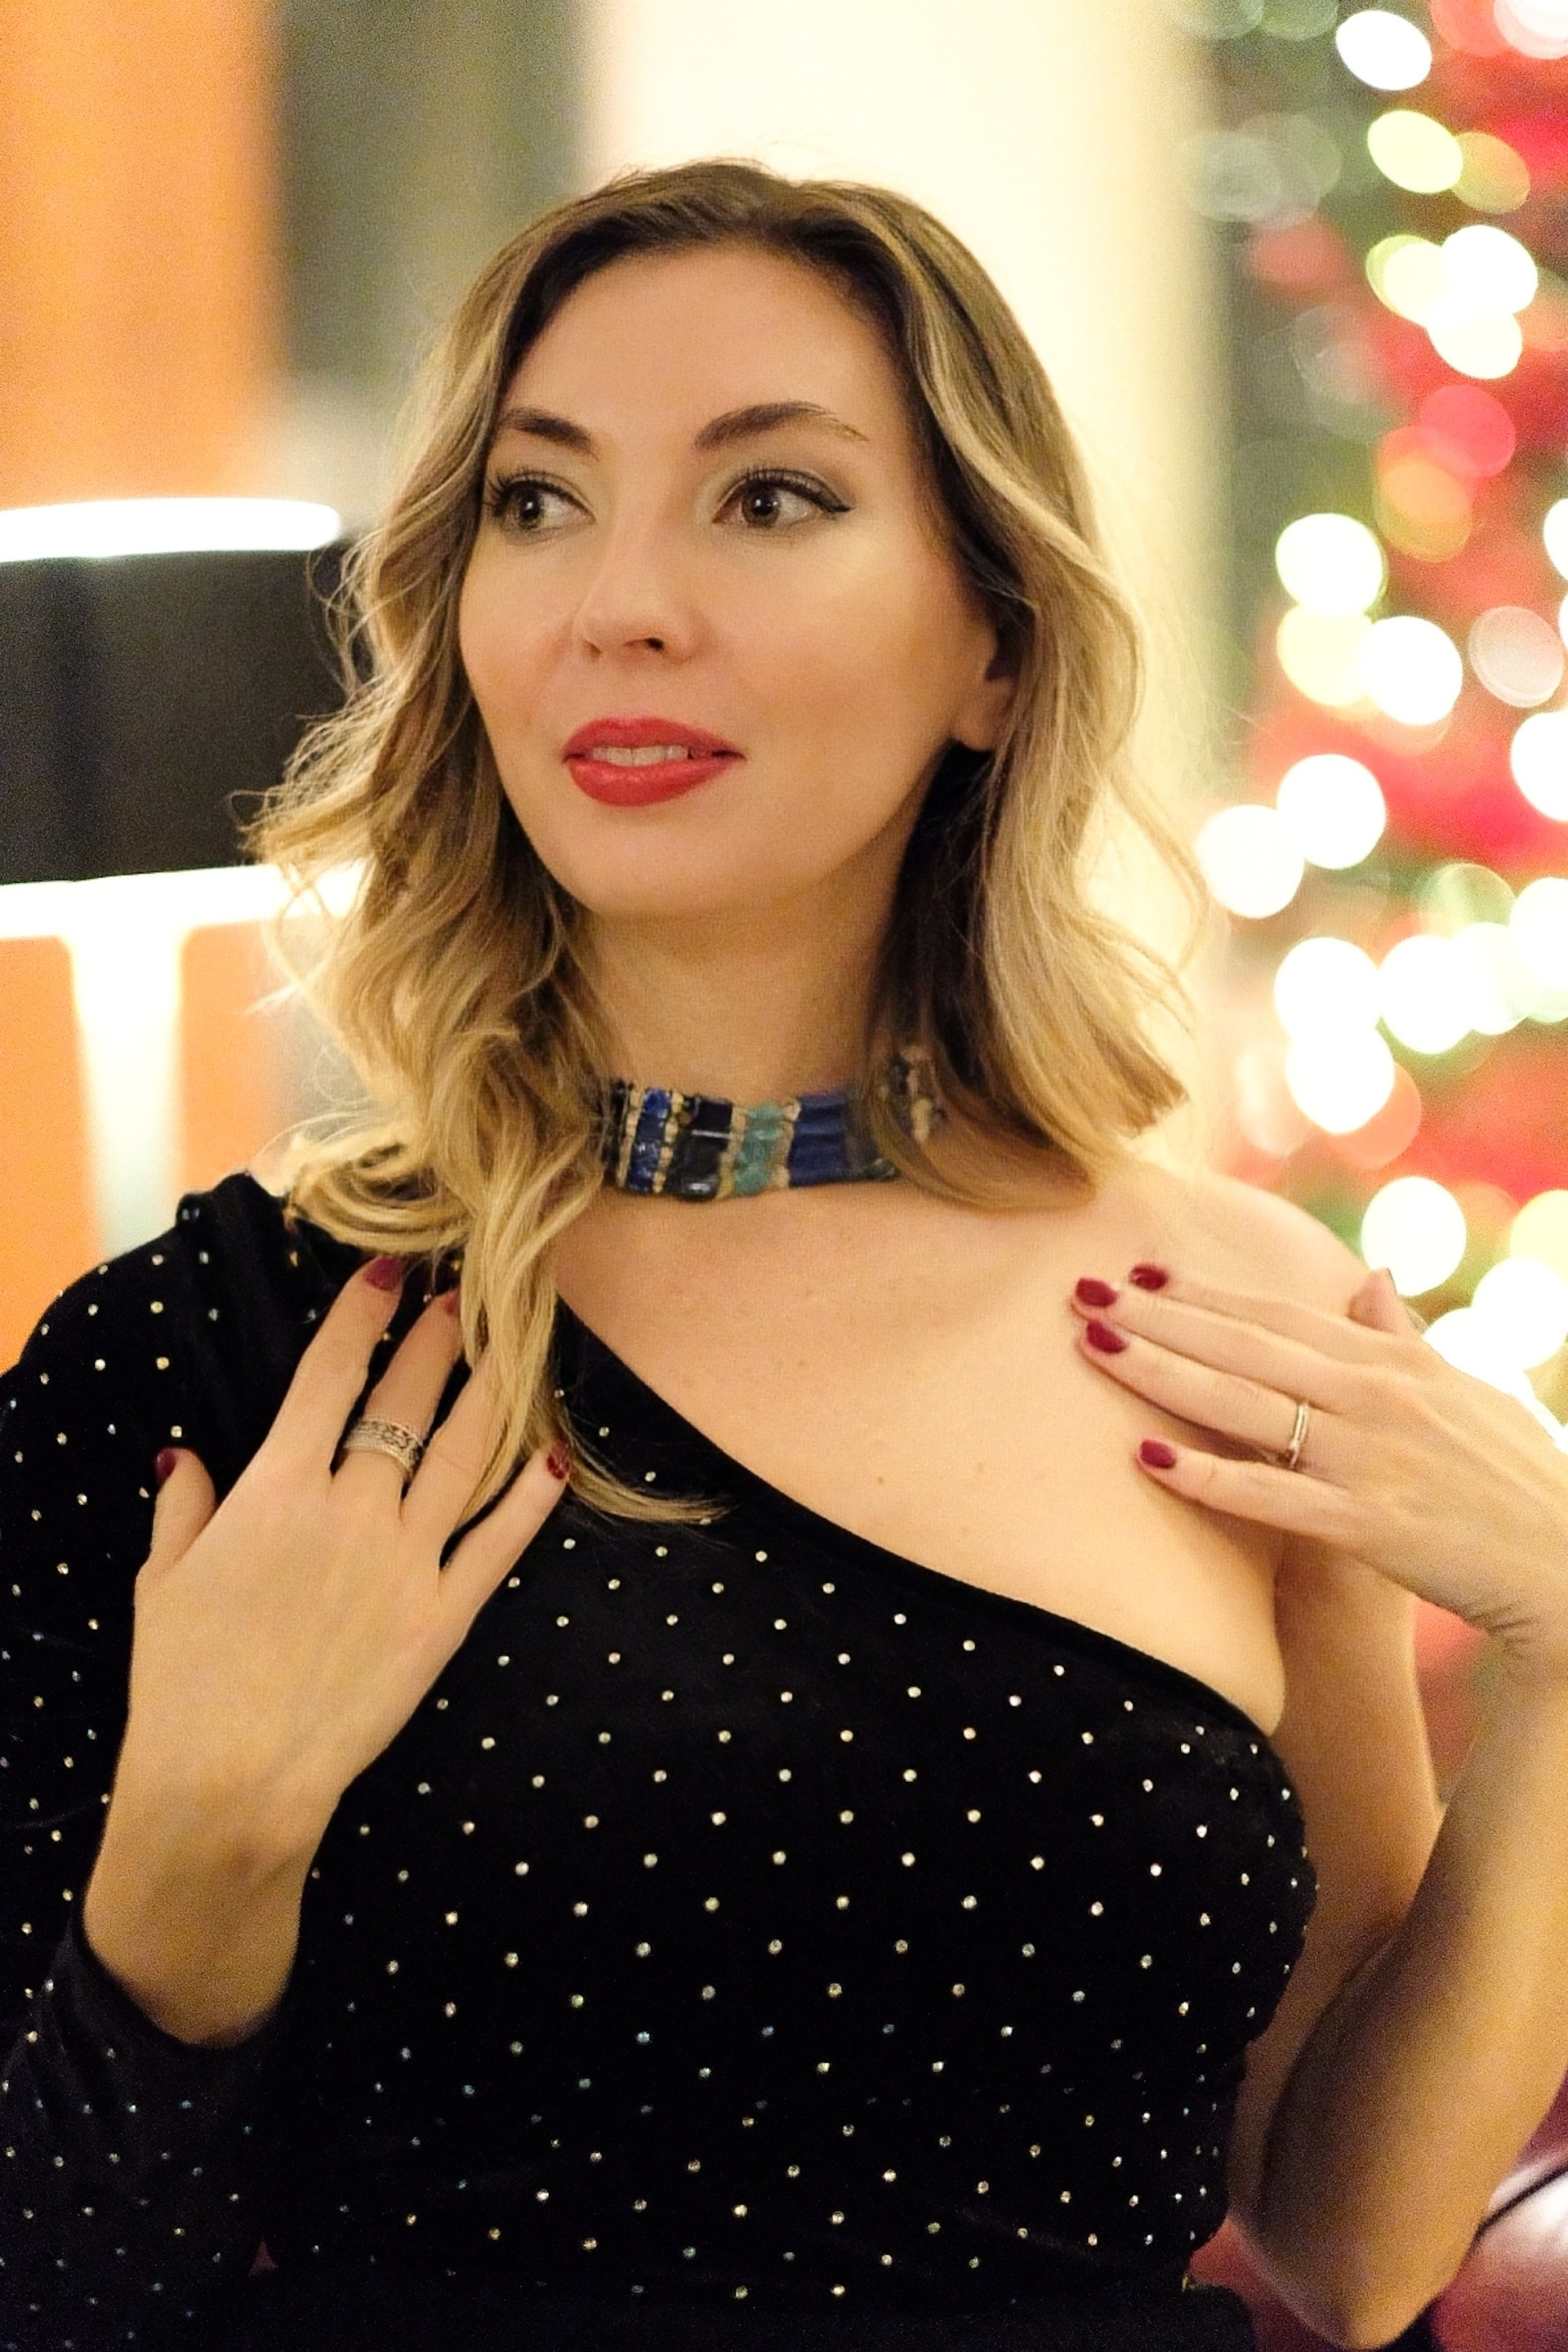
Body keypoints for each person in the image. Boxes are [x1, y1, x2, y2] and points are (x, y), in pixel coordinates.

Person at [4, 158, 1568, 2352]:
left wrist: (1561, 1649)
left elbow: (1352, 2238)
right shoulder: (215, 1359)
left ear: (995, 648)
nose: (620, 603)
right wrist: (188, 1876)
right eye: (539, 504)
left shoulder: (1239, 1326)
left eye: (768, 500)